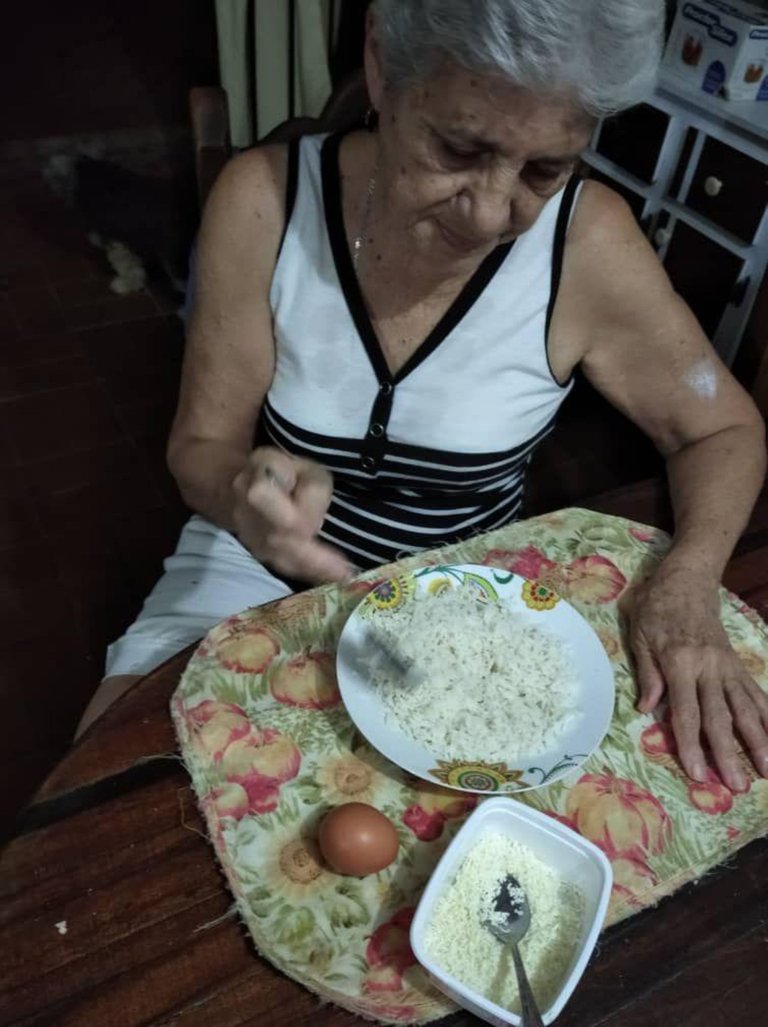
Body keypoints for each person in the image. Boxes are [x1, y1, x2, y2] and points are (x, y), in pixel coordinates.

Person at [79, 0, 767, 796]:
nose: (491, 212)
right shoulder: (266, 201)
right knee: (120, 791)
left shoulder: (589, 246)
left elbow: (721, 428)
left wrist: (688, 578)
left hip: (450, 600)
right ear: (380, 62)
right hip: (249, 571)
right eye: (459, 148)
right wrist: (242, 491)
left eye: (546, 169)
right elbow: (198, 447)